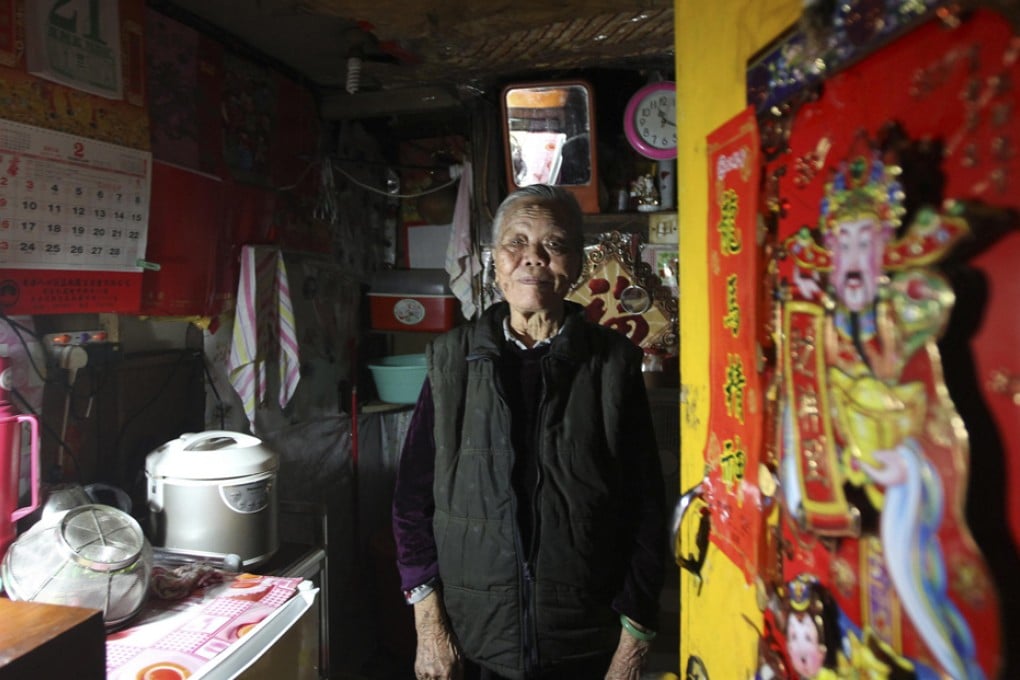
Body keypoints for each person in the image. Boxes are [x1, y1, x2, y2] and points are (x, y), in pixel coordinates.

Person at [392, 184, 667, 680]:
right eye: (516, 242)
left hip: (585, 641)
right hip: (475, 641)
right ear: (495, 262)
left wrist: (633, 646)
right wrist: (429, 629)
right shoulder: (451, 362)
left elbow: (646, 510)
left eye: (554, 243)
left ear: (576, 264)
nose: (533, 257)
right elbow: (412, 504)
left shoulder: (611, 363)